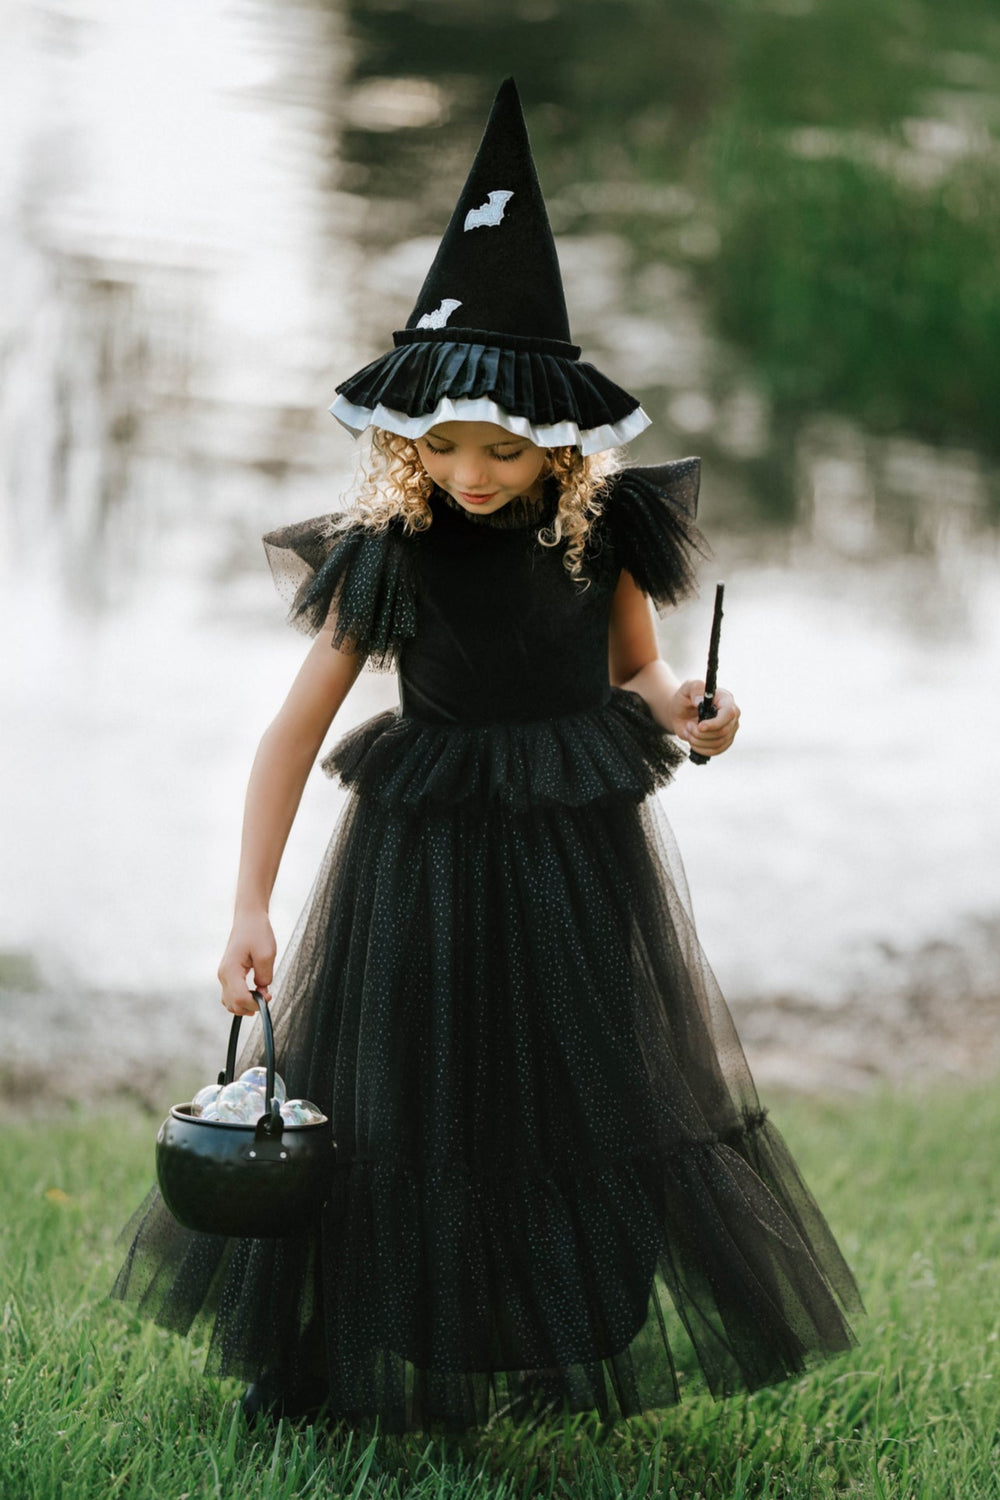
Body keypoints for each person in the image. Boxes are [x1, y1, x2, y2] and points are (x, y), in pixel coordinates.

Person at [112, 77, 863, 1437]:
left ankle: (540, 1339)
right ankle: (373, 1348)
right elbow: (292, 738)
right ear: (406, 438)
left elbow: (639, 672)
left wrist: (695, 705)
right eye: (443, 445)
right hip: (427, 858)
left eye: (503, 449)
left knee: (569, 1101)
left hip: (578, 857)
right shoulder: (390, 559)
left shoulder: (601, 536)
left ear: (555, 440)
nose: (471, 470)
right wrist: (246, 904)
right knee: (412, 1102)